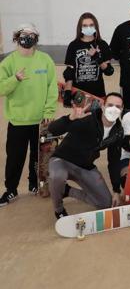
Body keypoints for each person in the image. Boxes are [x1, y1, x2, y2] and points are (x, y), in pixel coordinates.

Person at [0, 24, 57, 206]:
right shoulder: (8, 62)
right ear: (17, 37)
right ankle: (11, 189)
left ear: (36, 39)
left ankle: (34, 184)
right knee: (15, 156)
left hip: (41, 120)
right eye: (24, 35)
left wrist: (48, 111)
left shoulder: (45, 59)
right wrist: (14, 79)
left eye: (32, 35)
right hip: (18, 120)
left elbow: (52, 87)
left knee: (37, 156)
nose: (28, 38)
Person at [47, 93, 125, 218]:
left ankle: (66, 190)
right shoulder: (87, 119)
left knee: (106, 203)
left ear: (121, 110)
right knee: (57, 177)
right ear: (103, 106)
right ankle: (59, 209)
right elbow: (53, 130)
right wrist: (70, 118)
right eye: (110, 105)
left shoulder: (118, 132)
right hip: (62, 160)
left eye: (118, 106)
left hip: (85, 166)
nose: (113, 109)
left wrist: (116, 190)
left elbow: (114, 161)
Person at [62, 12, 114, 106]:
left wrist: (97, 58)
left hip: (98, 94)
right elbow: (69, 73)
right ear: (80, 28)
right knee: (80, 120)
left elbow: (109, 71)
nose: (88, 28)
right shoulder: (73, 45)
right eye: (85, 25)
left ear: (95, 26)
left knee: (97, 120)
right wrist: (67, 93)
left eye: (91, 25)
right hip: (79, 94)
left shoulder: (102, 44)